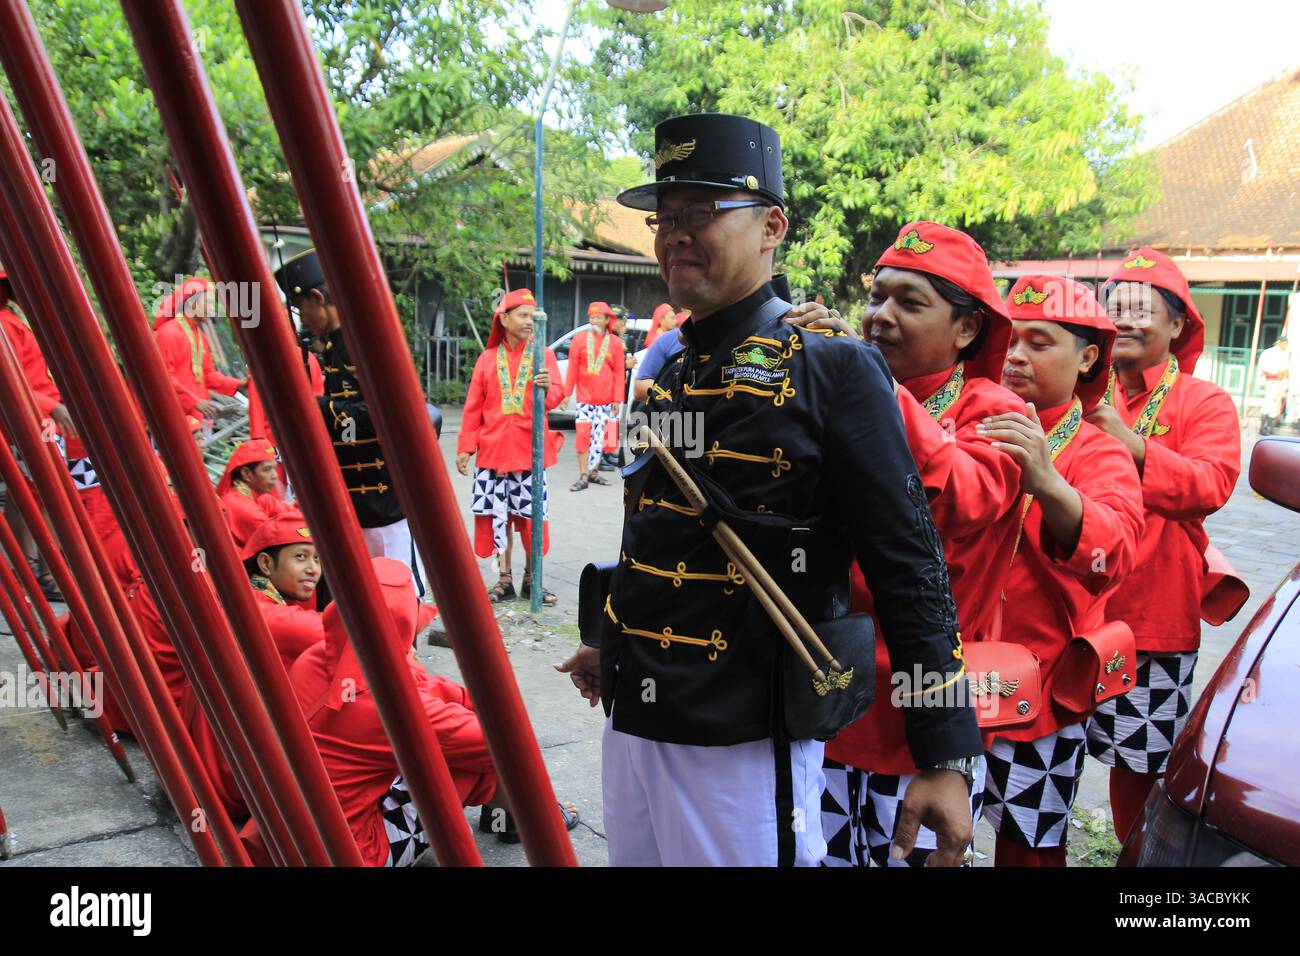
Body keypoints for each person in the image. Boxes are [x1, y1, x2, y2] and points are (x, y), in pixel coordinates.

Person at [557, 113, 981, 867]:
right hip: (632, 719)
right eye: (667, 217)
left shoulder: (834, 370)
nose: (675, 235)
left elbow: (910, 566)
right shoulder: (666, 370)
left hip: (743, 737)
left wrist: (945, 752)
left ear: (771, 226)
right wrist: (606, 636)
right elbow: (655, 533)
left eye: (702, 213)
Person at [792, 222, 1029, 867]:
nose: (879, 317)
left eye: (910, 303)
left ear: (967, 329)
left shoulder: (1001, 413)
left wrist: (868, 387)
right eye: (876, 298)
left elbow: (963, 498)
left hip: (930, 717)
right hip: (828, 700)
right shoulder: (828, 391)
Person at [973, 275, 1143, 865]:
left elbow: (1115, 552)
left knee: (1030, 848)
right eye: (1011, 340)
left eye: (1040, 342)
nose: (1016, 356)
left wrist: (1047, 482)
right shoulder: (972, 423)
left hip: (1037, 691)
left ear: (1088, 356)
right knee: (924, 839)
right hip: (946, 680)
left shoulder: (1100, 451)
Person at [1084, 247, 1241, 843]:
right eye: (1114, 305)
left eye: (1140, 309)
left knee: (1140, 773)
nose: (1123, 318)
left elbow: (1211, 484)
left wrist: (1131, 443)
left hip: (1149, 622)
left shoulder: (1204, 402)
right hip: (1066, 616)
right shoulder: (1077, 391)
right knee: (1044, 761)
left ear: (1177, 326)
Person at [289, 557, 497, 866]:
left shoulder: (314, 656)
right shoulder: (391, 706)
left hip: (289, 833)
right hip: (358, 853)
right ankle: (522, 817)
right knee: (483, 755)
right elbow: (496, 743)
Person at [272, 248, 428, 596]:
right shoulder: (333, 344)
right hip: (352, 495)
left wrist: (314, 408)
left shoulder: (369, 343)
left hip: (385, 496)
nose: (303, 319)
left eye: (302, 310)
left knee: (399, 593)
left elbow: (383, 415)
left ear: (317, 298)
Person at [455, 288, 565, 605]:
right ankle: (504, 579)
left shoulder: (542, 355)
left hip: (531, 452)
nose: (530, 321)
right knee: (497, 514)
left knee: (532, 518)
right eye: (523, 315)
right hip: (492, 453)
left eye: (533, 316)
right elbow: (473, 407)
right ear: (504, 319)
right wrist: (465, 446)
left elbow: (558, 394)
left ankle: (533, 579)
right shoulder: (487, 359)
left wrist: (549, 388)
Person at [152, 276, 247, 436]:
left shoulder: (200, 336)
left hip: (200, 418)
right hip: (177, 418)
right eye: (208, 302)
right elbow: (164, 378)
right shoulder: (168, 333)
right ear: (192, 303)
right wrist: (195, 402)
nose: (212, 307)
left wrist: (239, 384)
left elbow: (208, 376)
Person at [563, 301, 624, 491]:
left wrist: (617, 399)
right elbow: (572, 369)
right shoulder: (579, 340)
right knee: (583, 436)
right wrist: (566, 394)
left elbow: (619, 373)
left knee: (601, 438)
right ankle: (583, 475)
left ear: (607, 320)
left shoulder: (615, 343)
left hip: (606, 400)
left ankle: (594, 473)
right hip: (585, 399)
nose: (594, 320)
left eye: (598, 317)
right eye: (592, 317)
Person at [214, 438, 288, 549]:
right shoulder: (245, 509)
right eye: (267, 469)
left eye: (274, 468)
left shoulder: (256, 495)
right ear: (246, 474)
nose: (275, 475)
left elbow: (290, 512)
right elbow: (280, 541)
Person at [1258, 334, 1290, 435]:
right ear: (1279, 343)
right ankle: (1263, 427)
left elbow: (1286, 369)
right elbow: (1264, 367)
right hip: (1272, 380)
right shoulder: (1269, 353)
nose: (1285, 345)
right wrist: (1276, 373)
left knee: (1276, 404)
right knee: (1269, 402)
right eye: (1284, 343)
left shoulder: (1284, 354)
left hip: (1281, 381)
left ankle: (1270, 427)